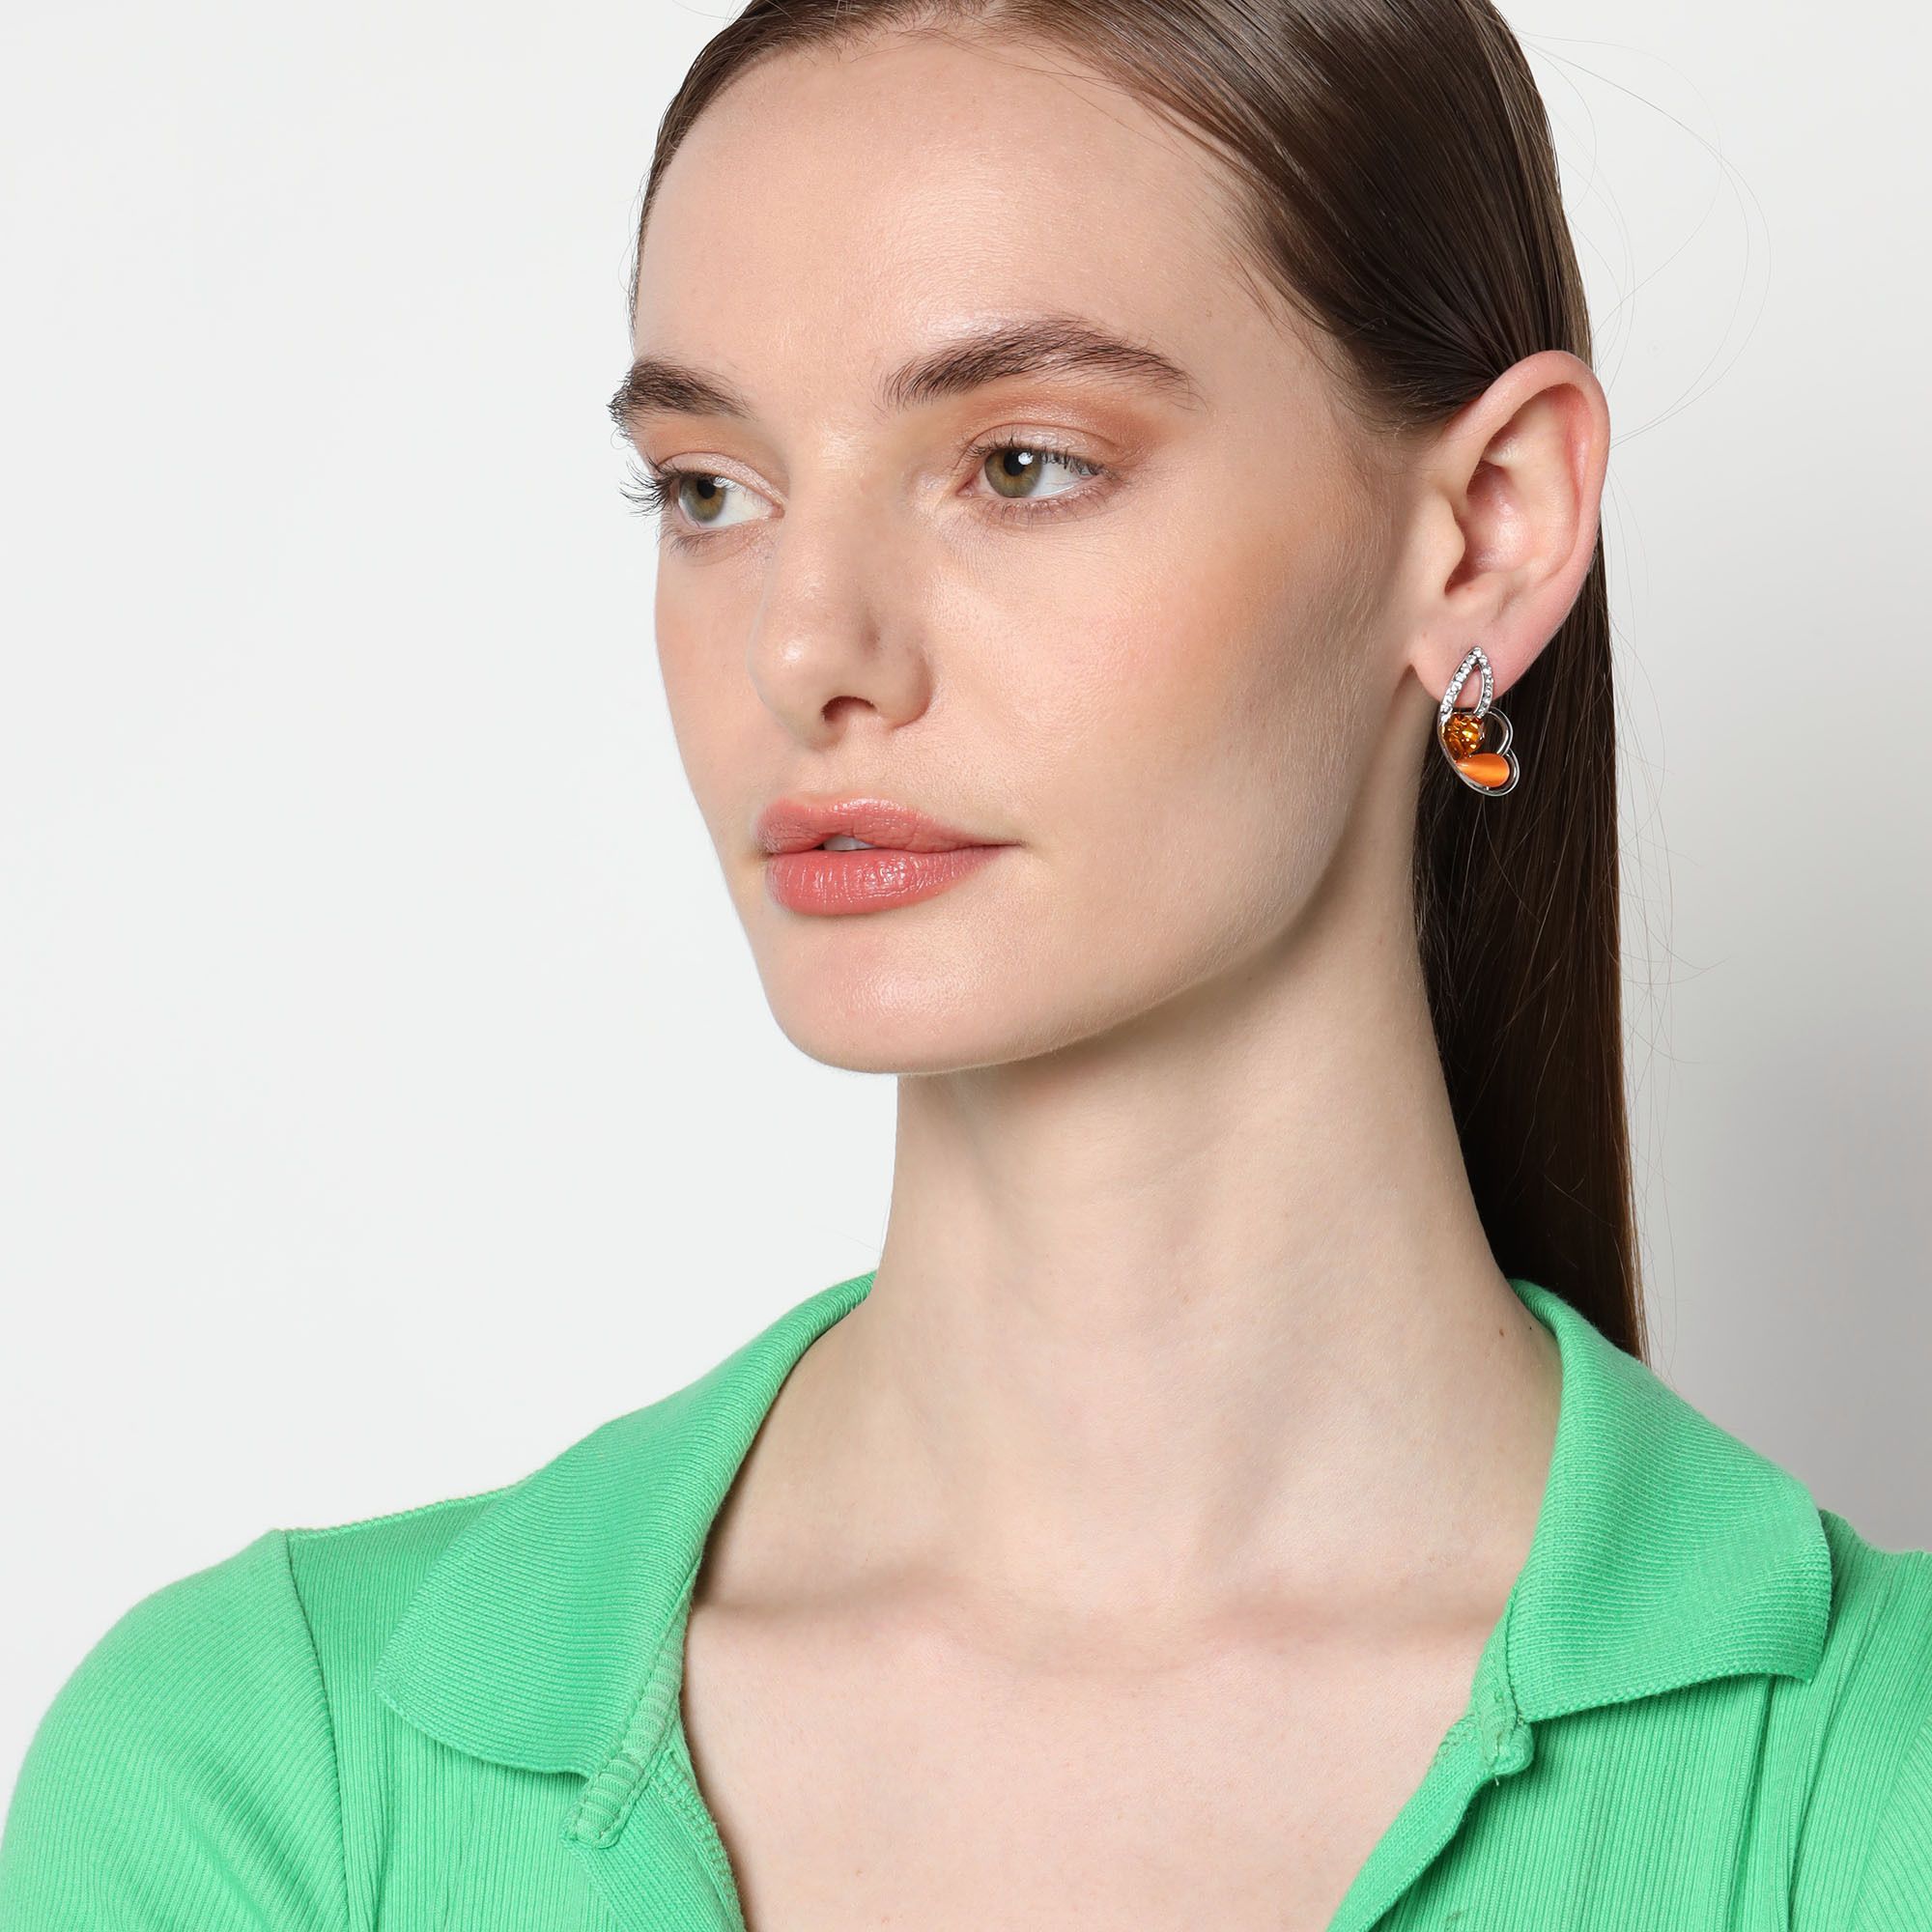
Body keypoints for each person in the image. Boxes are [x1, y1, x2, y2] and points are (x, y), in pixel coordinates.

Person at [3, 2, 1927, 1927]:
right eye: (710, 488)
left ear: (1489, 530)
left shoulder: (1870, 1790)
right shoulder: (265, 1775)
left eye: (1018, 463)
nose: (804, 648)